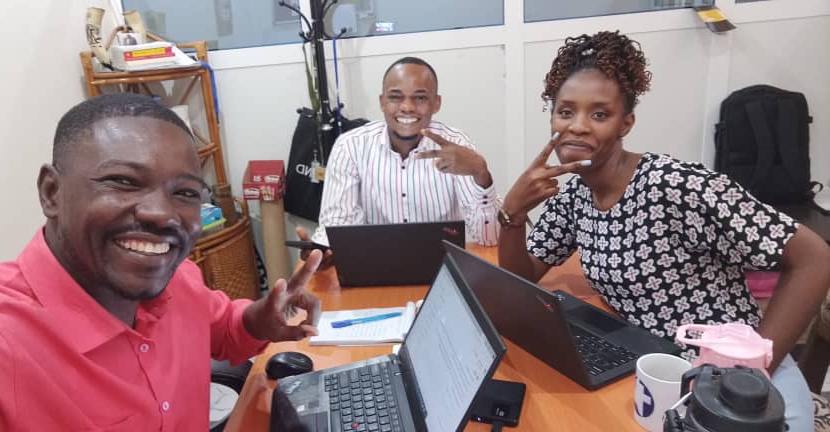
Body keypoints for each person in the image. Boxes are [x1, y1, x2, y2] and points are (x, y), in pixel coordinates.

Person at [0, 93, 324, 430]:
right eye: (122, 181)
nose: (161, 213)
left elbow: (225, 328)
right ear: (51, 192)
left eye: (186, 192)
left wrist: (258, 319)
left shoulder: (178, 281)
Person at [497, 31, 830, 431]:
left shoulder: (674, 185)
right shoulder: (575, 196)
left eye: (599, 114)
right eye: (566, 112)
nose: (578, 127)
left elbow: (815, 257)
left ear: (626, 123)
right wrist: (512, 214)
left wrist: (751, 377)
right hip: (659, 374)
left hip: (740, 380)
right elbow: (519, 281)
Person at [298, 56, 503, 267]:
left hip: (442, 270)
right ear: (382, 102)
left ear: (437, 103)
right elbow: (338, 224)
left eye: (420, 98)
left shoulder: (455, 146)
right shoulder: (350, 146)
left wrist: (481, 173)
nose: (407, 107)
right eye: (396, 97)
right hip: (373, 269)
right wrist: (324, 251)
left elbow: (489, 238)